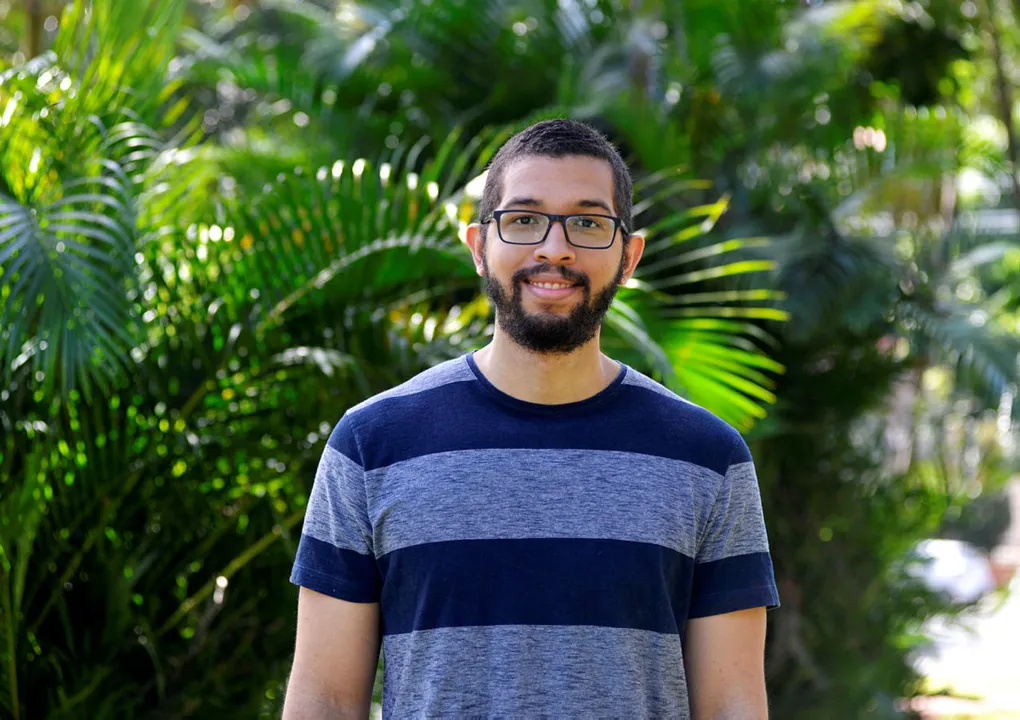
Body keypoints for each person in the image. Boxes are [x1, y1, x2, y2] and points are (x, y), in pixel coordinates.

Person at [282, 118, 780, 719]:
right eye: (523, 219)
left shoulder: (708, 458)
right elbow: (324, 702)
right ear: (477, 246)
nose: (554, 248)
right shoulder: (372, 444)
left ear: (629, 256)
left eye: (588, 223)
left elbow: (732, 706)